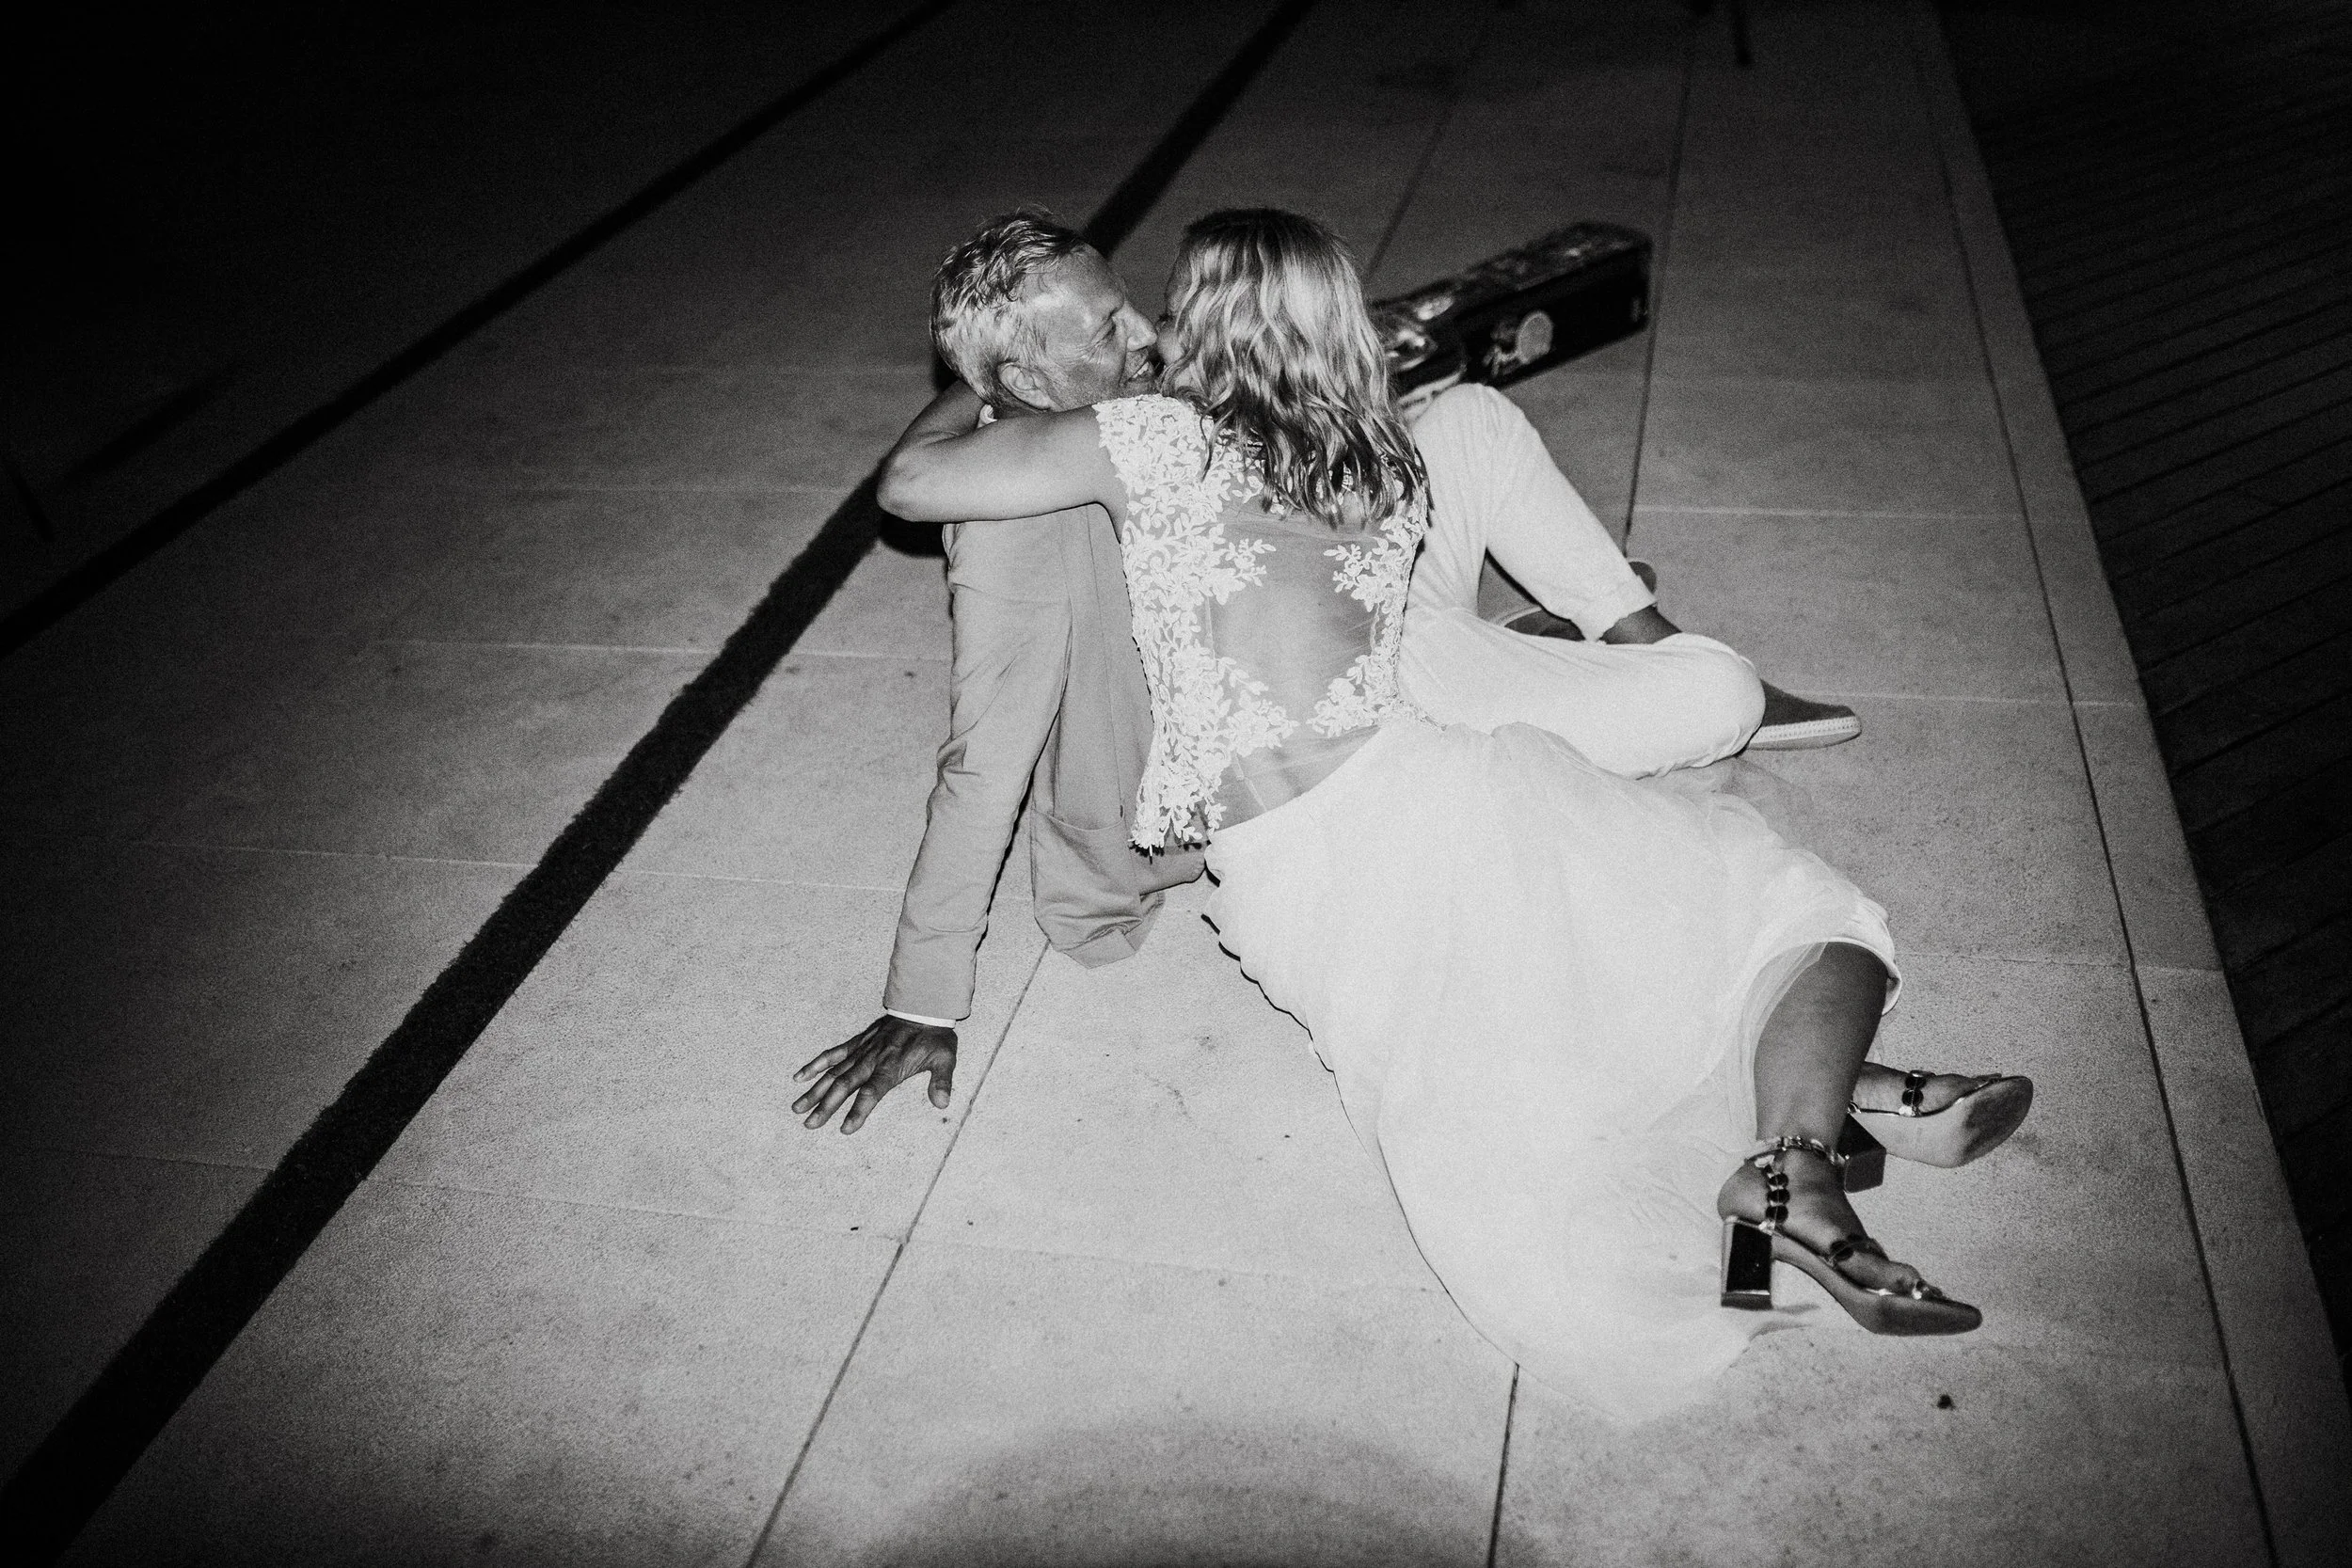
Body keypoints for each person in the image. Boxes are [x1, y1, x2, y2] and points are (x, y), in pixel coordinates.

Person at [862, 208, 2018, 1418]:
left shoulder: (1145, 442)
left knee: (1569, 1055)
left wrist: (971, 382)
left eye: (1163, 305)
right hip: (1452, 777)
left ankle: (1795, 1164)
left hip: (1310, 863)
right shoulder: (1377, 455)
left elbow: (908, 480)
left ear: (1211, 322)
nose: (1147, 328)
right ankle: (1805, 1155)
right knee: (1789, 915)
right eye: (1118, 320)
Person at [795, 209, 1860, 1135]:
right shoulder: (1046, 498)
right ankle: (1626, 667)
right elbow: (979, 756)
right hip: (1358, 702)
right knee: (1720, 690)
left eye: (1133, 307)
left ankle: (1622, 632)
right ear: (1021, 378)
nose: (1151, 336)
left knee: (1473, 422)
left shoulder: (1135, 404)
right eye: (1110, 329)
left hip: (1346, 600)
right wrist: (922, 998)